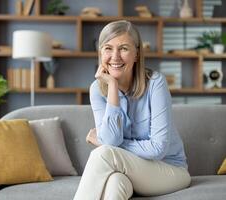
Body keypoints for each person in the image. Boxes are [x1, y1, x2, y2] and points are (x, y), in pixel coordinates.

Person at [73, 20, 191, 200]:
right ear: (100, 53)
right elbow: (111, 139)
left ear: (136, 53)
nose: (115, 56)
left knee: (103, 153)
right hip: (130, 172)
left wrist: (107, 143)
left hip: (169, 170)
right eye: (108, 48)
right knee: (115, 183)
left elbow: (157, 149)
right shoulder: (97, 89)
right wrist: (112, 85)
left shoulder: (155, 83)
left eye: (124, 48)